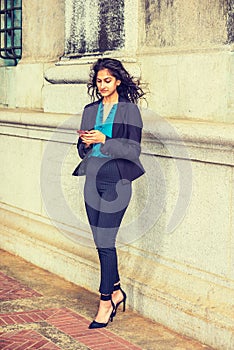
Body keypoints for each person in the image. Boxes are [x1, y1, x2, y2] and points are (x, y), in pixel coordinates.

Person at [72, 58, 145, 329]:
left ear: (117, 81)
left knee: (105, 240)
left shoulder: (129, 111)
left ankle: (105, 302)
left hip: (117, 179)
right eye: (99, 81)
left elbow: (133, 151)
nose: (102, 86)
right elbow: (81, 149)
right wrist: (85, 142)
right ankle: (115, 290)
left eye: (108, 81)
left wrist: (105, 140)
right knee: (100, 241)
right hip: (92, 176)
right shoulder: (89, 110)